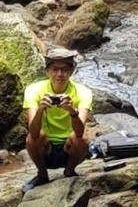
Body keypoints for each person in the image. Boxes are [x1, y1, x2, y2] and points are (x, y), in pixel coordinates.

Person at [21, 47, 92, 193]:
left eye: (64, 69)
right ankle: (42, 174)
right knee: (32, 138)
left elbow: (79, 132)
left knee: (82, 138)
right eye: (55, 69)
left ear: (72, 71)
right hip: (45, 149)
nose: (59, 74)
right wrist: (40, 110)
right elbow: (33, 133)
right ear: (47, 71)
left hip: (69, 149)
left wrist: (72, 111)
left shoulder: (83, 92)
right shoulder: (33, 91)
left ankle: (69, 172)